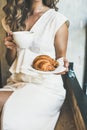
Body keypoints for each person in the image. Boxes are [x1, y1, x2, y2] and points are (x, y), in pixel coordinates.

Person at [0, 0, 69, 130]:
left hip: (46, 87)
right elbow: (11, 61)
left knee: (12, 115)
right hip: (17, 83)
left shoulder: (57, 21)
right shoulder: (16, 17)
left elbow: (60, 60)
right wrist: (11, 48)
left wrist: (62, 64)